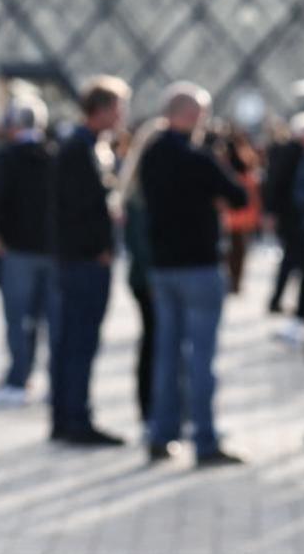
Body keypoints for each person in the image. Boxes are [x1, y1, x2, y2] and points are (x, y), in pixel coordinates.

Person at [140, 83, 248, 467]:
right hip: (200, 267)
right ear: (190, 115)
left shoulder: (150, 154)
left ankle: (161, 433)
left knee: (167, 356)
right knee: (201, 358)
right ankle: (205, 439)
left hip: (164, 267)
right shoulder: (198, 159)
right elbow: (240, 195)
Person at [51, 75, 130, 447]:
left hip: (85, 258)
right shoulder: (78, 149)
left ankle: (69, 415)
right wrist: (97, 246)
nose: (123, 115)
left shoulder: (92, 146)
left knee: (76, 341)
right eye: (119, 107)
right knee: (79, 341)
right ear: (101, 109)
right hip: (84, 261)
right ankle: (74, 418)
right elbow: (75, 208)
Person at [0, 95, 57, 408]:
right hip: (52, 248)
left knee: (17, 318)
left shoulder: (5, 157)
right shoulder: (55, 154)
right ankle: (53, 382)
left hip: (17, 249)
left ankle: (18, 378)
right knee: (49, 320)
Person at [117, 119, 166, 427]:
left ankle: (151, 406)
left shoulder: (135, 188)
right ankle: (151, 406)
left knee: (152, 341)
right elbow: (141, 242)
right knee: (154, 342)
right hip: (150, 279)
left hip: (145, 277)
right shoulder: (142, 193)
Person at [266, 112, 304, 320]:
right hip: (293, 217)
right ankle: (298, 306)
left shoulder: (293, 152)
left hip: (290, 216)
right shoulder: (294, 154)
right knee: (297, 260)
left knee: (291, 261)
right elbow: (277, 184)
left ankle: (283, 301)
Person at [223, 131, 262, 295]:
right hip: (237, 213)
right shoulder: (236, 159)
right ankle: (234, 281)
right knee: (237, 250)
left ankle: (234, 281)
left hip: (237, 213)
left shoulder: (234, 158)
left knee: (236, 249)